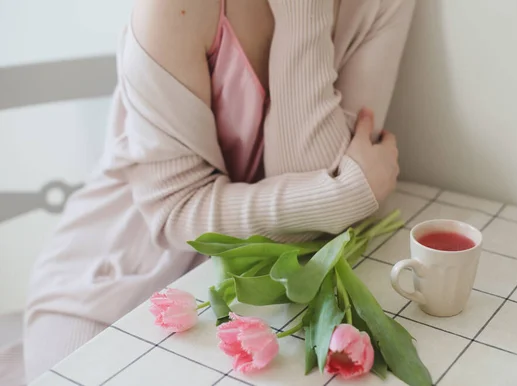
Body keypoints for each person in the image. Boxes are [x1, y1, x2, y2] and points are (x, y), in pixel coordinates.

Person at [12, 0, 415, 383]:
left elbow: (314, 209)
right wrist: (340, 196)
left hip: (257, 295)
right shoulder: (175, 8)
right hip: (116, 276)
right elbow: (176, 211)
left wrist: (302, 11)